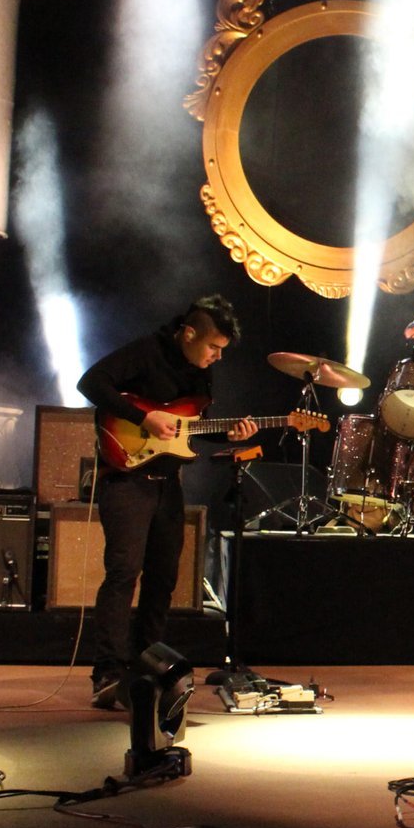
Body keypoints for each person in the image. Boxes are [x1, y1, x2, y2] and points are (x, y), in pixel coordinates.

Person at [76, 295, 258, 709]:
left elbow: (187, 431)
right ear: (189, 333)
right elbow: (90, 383)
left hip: (166, 483)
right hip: (125, 479)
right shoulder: (146, 351)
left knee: (163, 579)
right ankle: (107, 674)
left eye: (222, 351)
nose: (216, 357)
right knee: (123, 573)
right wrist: (143, 418)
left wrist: (229, 435)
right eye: (213, 347)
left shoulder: (201, 376)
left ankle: (146, 668)